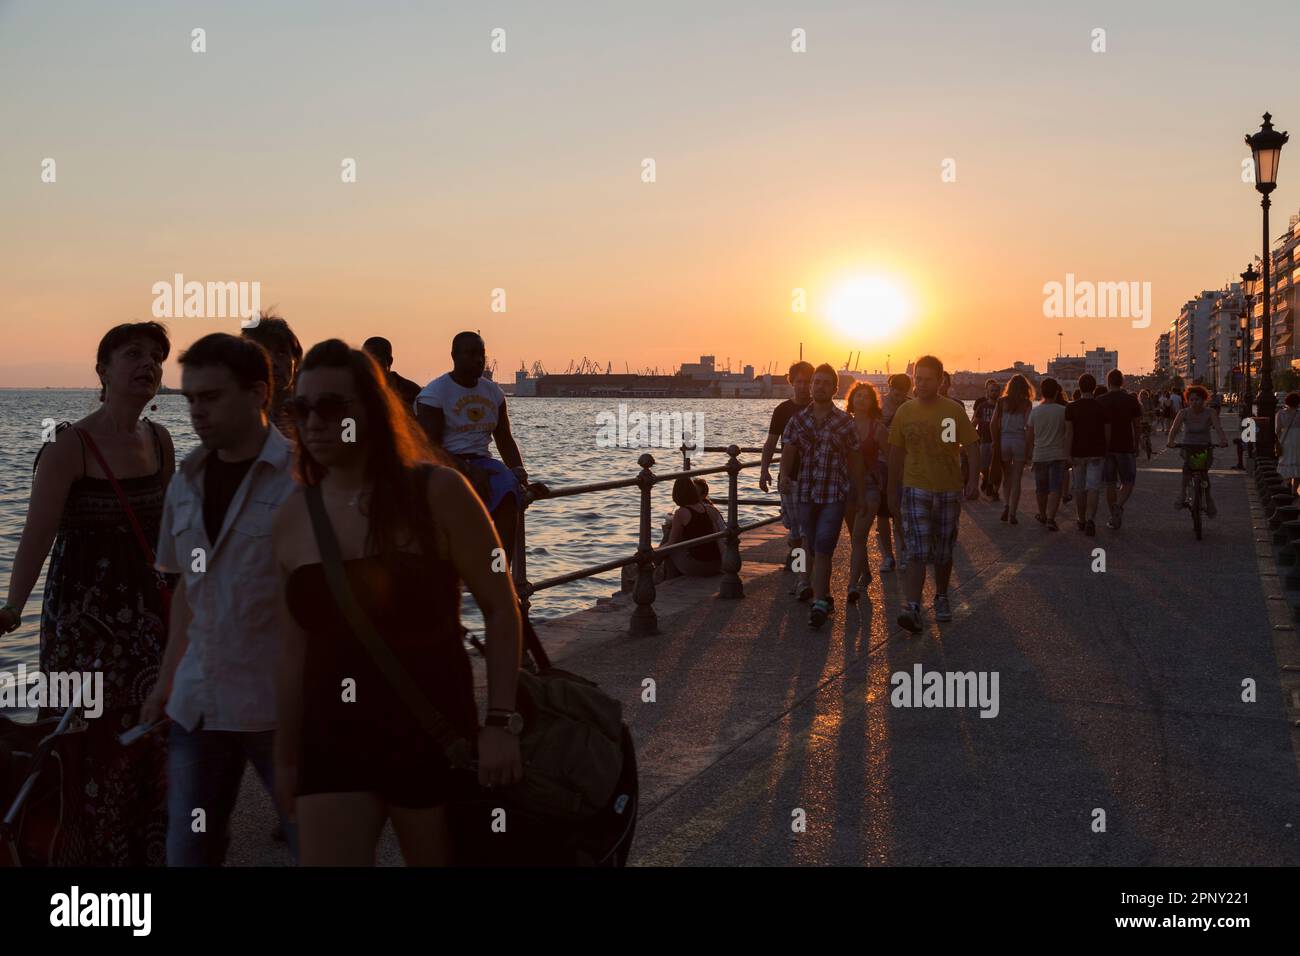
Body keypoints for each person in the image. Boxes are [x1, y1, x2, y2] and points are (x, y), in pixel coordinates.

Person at [273, 339, 522, 866]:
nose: (313, 421)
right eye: (301, 408)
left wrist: (500, 723)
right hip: (331, 737)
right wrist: (287, 757)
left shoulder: (440, 493)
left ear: (373, 407)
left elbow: (501, 609)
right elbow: (293, 651)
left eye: (332, 406)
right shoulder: (292, 516)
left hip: (431, 729)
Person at [0, 321, 174, 865]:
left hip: (150, 624)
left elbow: (171, 536)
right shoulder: (68, 444)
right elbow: (37, 533)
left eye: (156, 357)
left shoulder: (161, 440)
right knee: (83, 750)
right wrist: (10, 608)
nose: (147, 364)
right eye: (132, 354)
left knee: (147, 745)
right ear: (101, 371)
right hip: (83, 629)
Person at [137, 333, 298, 866]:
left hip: (281, 706)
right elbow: (187, 586)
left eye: (211, 397)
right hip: (198, 704)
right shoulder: (186, 479)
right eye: (190, 399)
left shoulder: (302, 482)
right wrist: (165, 680)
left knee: (319, 847)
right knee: (187, 853)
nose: (197, 412)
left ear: (257, 393)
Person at [415, 332, 528, 567]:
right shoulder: (435, 394)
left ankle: (500, 571)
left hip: (482, 461)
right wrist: (465, 470)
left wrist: (518, 471)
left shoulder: (494, 393)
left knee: (510, 492)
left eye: (481, 354)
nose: (478, 360)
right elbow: (430, 449)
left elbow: (504, 438)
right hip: (444, 463)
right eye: (471, 353)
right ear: (454, 356)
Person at [887, 355, 980, 633]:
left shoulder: (952, 411)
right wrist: (892, 489)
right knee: (916, 549)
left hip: (948, 489)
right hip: (916, 488)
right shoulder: (905, 412)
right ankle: (913, 606)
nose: (923, 384)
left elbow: (972, 447)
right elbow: (895, 453)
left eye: (929, 379)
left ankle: (941, 596)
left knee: (942, 550)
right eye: (919, 379)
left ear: (941, 381)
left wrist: (973, 480)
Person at [781, 364, 866, 628]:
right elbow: (789, 449)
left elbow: (854, 458)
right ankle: (822, 592)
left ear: (834, 388)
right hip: (806, 490)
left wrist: (860, 491)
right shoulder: (798, 419)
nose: (819, 386)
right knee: (809, 544)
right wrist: (783, 475)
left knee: (824, 545)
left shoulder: (844, 422)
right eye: (816, 382)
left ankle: (818, 602)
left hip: (833, 493)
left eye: (825, 383)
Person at [759, 361, 813, 598]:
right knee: (793, 530)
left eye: (807, 382)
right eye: (799, 381)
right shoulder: (782, 410)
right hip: (789, 477)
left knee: (804, 532)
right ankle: (797, 559)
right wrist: (763, 470)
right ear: (791, 382)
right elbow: (771, 442)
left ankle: (802, 579)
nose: (803, 387)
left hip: (813, 478)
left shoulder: (817, 408)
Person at [843, 381, 886, 604]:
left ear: (872, 402)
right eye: (857, 396)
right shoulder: (844, 425)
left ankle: (852, 585)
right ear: (851, 400)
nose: (861, 399)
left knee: (859, 535)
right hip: (847, 486)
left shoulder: (877, 428)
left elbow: (891, 456)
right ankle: (866, 572)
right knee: (855, 536)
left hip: (869, 487)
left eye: (866, 397)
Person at [1167, 386, 1228, 515]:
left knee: (1204, 473)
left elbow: (1218, 427)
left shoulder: (1210, 412)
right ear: (1188, 401)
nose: (1195, 402)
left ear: (1204, 400)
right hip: (1188, 446)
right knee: (1187, 469)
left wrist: (1223, 440)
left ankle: (1208, 499)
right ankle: (1182, 493)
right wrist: (1170, 441)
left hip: (1205, 447)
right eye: (1191, 399)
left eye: (1198, 399)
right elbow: (1174, 428)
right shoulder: (1183, 413)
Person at [1097, 369, 1143, 530]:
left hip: (1107, 447)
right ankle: (1119, 505)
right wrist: (1137, 444)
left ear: (1108, 382)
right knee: (1128, 481)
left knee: (1110, 482)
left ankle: (1113, 516)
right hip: (1126, 445)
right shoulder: (1131, 400)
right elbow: (1137, 425)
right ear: (1122, 382)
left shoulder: (1100, 400)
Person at [242, 313, 302, 436]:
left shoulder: (312, 415)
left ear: (295, 361)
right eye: (263, 354)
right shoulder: (237, 421)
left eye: (281, 353)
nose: (273, 362)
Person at [1064, 374, 1107, 535]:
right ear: (1094, 387)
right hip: (1096, 452)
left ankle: (1081, 520)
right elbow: (1107, 432)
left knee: (1079, 488)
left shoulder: (1071, 407)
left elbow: (1069, 433)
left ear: (1079, 387)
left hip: (1077, 453)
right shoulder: (1101, 407)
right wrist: (1105, 449)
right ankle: (1091, 520)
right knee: (1093, 487)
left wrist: (1067, 454)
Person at [877, 373, 911, 572]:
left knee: (900, 511)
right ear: (890, 387)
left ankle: (905, 552)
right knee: (882, 513)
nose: (898, 395)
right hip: (881, 463)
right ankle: (888, 556)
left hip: (903, 465)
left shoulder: (911, 406)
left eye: (902, 391)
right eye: (895, 390)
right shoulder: (879, 405)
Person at [991, 374, 1034, 524]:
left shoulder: (1002, 402)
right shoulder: (1026, 404)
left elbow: (993, 423)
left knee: (1006, 477)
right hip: (1019, 441)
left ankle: (1006, 505)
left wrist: (995, 441)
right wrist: (1029, 448)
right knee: (1017, 479)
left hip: (1004, 440)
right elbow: (1029, 428)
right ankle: (1013, 514)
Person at [659, 477, 722, 579]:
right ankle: (666, 575)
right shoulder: (706, 508)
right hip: (716, 565)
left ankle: (668, 578)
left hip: (699, 567)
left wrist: (653, 553)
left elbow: (672, 543)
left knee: (671, 549)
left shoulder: (680, 513)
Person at [1026, 377, 1068, 531]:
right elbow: (1068, 433)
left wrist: (1028, 454)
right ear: (1057, 392)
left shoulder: (1035, 412)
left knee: (1041, 488)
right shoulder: (1063, 411)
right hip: (1058, 454)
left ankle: (1042, 514)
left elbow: (1029, 436)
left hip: (1040, 454)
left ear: (1042, 392)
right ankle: (1051, 518)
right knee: (1055, 488)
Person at [362, 336, 422, 407]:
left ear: (389, 361)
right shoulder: (354, 387)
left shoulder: (409, 390)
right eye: (364, 358)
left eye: (375, 359)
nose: (369, 364)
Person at [971, 379, 1000, 500]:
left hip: (998, 441)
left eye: (996, 390)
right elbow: (974, 422)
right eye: (992, 390)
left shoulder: (1002, 406)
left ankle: (994, 490)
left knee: (997, 467)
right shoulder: (982, 406)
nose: (994, 392)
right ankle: (986, 479)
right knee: (984, 466)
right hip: (984, 439)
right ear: (987, 392)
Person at [1278, 393, 1300, 493]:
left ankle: (1287, 483)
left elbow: (1277, 430)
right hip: (1298, 439)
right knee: (1297, 463)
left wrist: (1279, 441)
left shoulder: (1281, 413)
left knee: (1286, 461)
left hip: (1285, 439)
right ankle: (1294, 490)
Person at [1137, 388, 1156, 459]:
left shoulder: (1149, 401)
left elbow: (1153, 410)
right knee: (1141, 436)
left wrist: (1151, 414)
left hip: (1148, 420)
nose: (1143, 396)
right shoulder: (1138, 402)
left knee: (1147, 435)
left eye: (1144, 395)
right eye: (1142, 395)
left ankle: (1148, 446)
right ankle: (1145, 446)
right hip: (1141, 420)